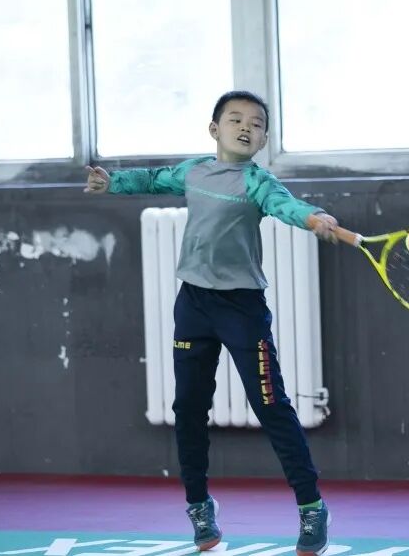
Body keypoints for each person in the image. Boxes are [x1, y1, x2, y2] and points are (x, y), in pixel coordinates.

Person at [85, 90, 337, 556]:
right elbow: (153, 179)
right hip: (194, 305)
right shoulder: (194, 170)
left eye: (256, 124)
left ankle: (311, 507)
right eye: (235, 119)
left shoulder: (258, 182)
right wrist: (112, 182)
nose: (246, 127)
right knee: (188, 409)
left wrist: (314, 218)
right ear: (214, 129)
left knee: (271, 407)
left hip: (242, 310)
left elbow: (286, 205)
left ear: (263, 140)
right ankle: (199, 508)